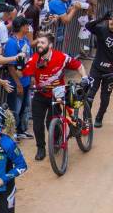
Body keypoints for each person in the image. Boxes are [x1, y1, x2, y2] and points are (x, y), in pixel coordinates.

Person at [23, 32, 88, 160]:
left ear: (50, 45)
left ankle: (56, 141)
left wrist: (84, 77)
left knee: (50, 122)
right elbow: (23, 74)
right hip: (40, 94)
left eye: (42, 43)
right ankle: (40, 148)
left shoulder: (61, 57)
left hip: (57, 95)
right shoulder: (34, 58)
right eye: (38, 43)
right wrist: (18, 63)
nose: (39, 45)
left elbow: (79, 65)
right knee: (37, 123)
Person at [4, 16, 34, 140]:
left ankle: (21, 130)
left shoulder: (26, 40)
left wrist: (31, 77)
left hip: (26, 80)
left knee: (24, 107)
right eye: (27, 25)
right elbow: (11, 67)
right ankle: (13, 133)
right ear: (21, 27)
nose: (29, 27)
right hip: (16, 83)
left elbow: (30, 60)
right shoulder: (11, 43)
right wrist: (18, 84)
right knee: (14, 109)